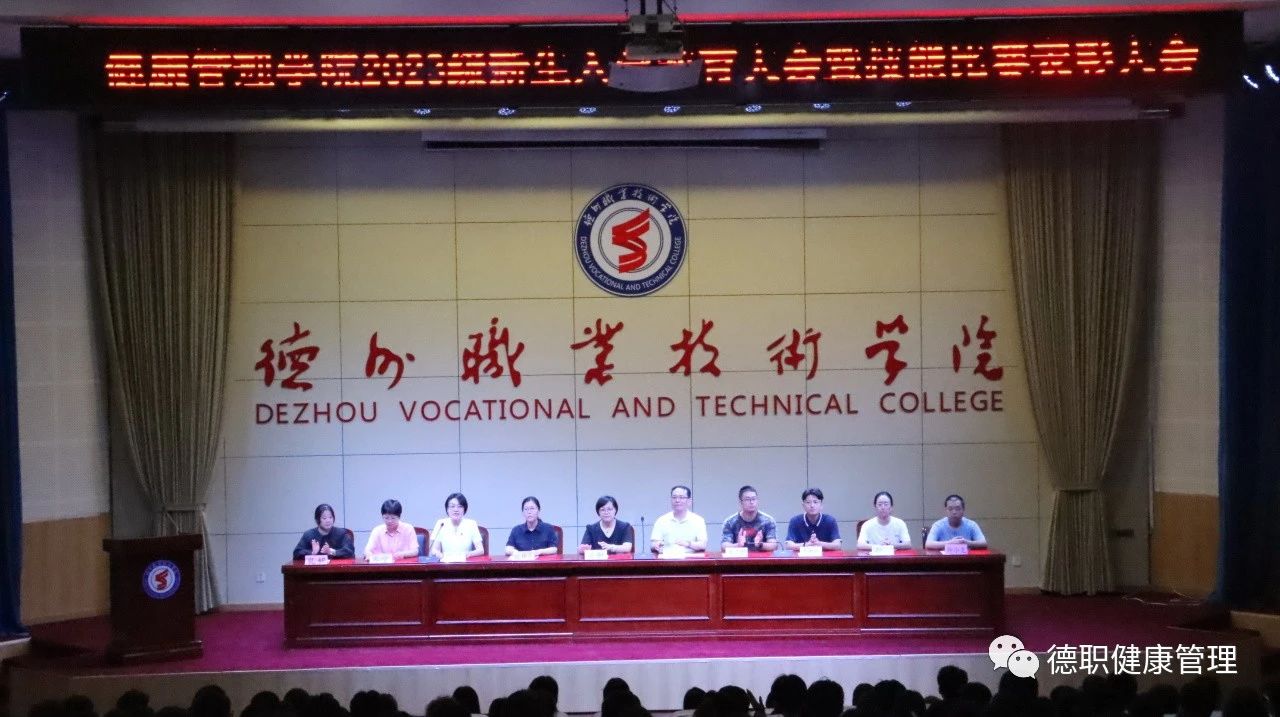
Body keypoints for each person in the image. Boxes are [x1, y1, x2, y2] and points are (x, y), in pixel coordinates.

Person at [650, 484, 707, 553]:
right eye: (674, 497)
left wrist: (688, 544)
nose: (677, 500)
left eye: (681, 497)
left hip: (690, 558)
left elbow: (703, 545)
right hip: (667, 557)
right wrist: (656, 545)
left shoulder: (698, 520)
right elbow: (653, 544)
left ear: (689, 501)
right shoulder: (661, 520)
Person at [720, 485, 778, 552]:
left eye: (754, 499)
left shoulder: (768, 521)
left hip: (761, 558)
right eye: (747, 499)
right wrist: (738, 545)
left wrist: (760, 544)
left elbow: (774, 545)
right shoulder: (730, 522)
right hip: (739, 557)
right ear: (741, 502)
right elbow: (724, 546)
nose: (751, 502)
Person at [429, 493, 486, 558]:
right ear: (447, 509)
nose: (456, 510)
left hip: (465, 562)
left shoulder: (471, 524)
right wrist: (442, 556)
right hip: (446, 562)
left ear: (464, 509)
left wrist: (467, 555)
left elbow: (480, 550)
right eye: (452, 506)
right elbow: (434, 550)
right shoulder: (441, 523)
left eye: (460, 506)